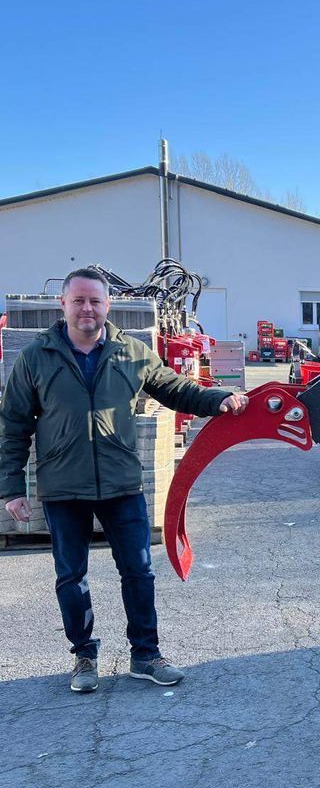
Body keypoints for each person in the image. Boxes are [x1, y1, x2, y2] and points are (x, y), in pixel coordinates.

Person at [0, 268, 250, 693]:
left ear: (107, 305)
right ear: (63, 305)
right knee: (71, 577)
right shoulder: (36, 357)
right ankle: (83, 656)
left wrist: (219, 399)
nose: (87, 308)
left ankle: (146, 655)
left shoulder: (131, 352)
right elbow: (14, 426)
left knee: (138, 570)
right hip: (64, 487)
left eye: (95, 301)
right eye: (78, 300)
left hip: (121, 484)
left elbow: (177, 390)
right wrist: (10, 489)